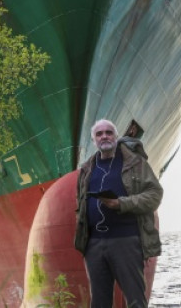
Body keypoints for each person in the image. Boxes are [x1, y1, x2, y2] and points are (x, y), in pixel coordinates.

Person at [74, 119, 163, 308]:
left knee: (136, 300)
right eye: (99, 134)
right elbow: (80, 204)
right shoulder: (86, 168)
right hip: (95, 244)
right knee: (99, 302)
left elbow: (155, 194)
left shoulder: (135, 162)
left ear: (116, 136)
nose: (104, 136)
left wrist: (121, 203)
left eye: (108, 132)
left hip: (126, 241)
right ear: (93, 140)